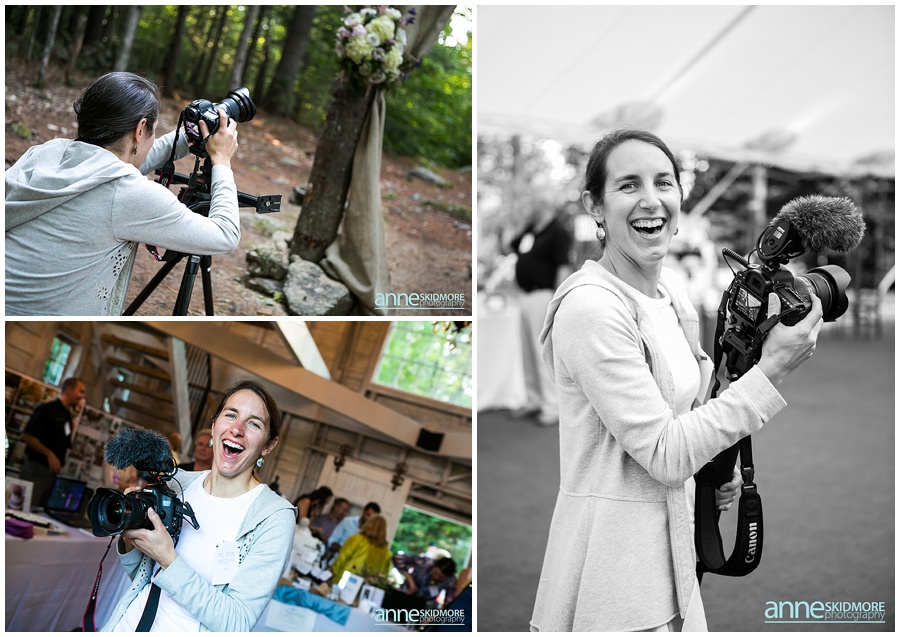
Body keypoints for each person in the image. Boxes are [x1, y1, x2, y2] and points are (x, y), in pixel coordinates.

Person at [529, 129, 823, 632]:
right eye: (628, 185)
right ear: (594, 206)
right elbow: (664, 454)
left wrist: (711, 467)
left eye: (664, 182)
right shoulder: (591, 308)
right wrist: (773, 370)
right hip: (614, 576)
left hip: (674, 555)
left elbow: (682, 421)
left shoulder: (671, 294)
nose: (651, 200)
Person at [5, 71, 241, 316]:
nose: (152, 138)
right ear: (140, 129)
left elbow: (122, 160)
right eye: (153, 131)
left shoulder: (45, 153)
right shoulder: (128, 193)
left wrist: (193, 134)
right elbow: (225, 235)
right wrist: (221, 160)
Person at [102, 380, 296, 631]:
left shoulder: (273, 518)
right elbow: (145, 579)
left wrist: (169, 559)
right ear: (214, 425)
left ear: (268, 445)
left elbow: (236, 623)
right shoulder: (177, 484)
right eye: (231, 415)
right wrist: (131, 538)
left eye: (253, 423)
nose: (237, 429)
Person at [510, 189, 573, 426]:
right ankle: (533, 399)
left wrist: (559, 301)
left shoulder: (558, 232)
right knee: (527, 351)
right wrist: (525, 224)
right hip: (525, 295)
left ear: (543, 205)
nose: (528, 209)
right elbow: (512, 247)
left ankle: (552, 405)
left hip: (544, 295)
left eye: (532, 205)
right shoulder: (532, 230)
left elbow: (562, 267)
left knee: (542, 352)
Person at [19, 378, 86, 507]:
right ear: (68, 390)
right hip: (36, 470)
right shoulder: (47, 409)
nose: (82, 396)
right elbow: (27, 436)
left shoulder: (67, 415)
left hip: (50, 475)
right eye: (80, 391)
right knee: (27, 509)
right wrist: (49, 454)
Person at [329, 515, 393, 585]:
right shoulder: (386, 552)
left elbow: (342, 558)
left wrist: (331, 573)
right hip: (366, 587)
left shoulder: (357, 539)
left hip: (345, 581)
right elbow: (383, 575)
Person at [393, 554, 457, 604]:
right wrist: (410, 579)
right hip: (403, 595)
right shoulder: (424, 562)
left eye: (441, 578)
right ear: (434, 565)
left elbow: (449, 602)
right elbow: (397, 558)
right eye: (436, 573)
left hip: (424, 608)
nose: (436, 577)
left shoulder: (450, 580)